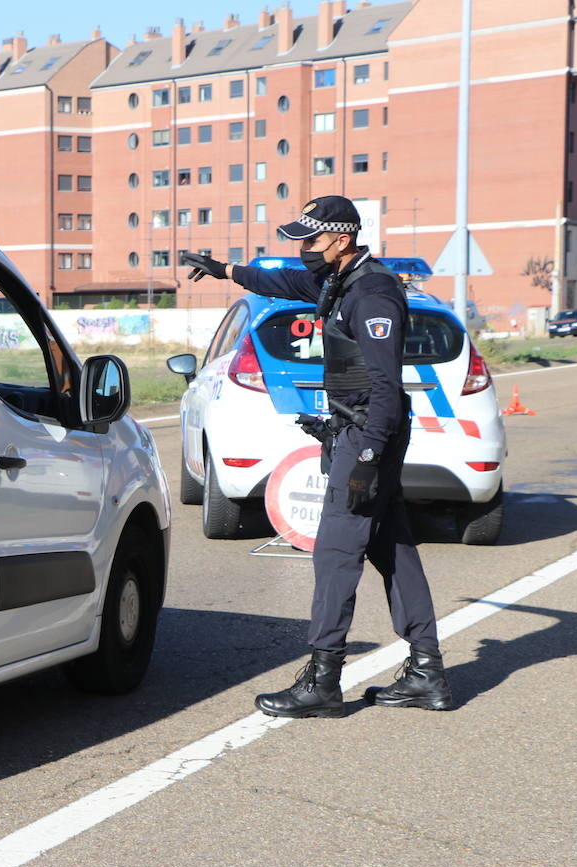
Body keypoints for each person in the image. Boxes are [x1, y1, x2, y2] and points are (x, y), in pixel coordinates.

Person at [181, 195, 453, 717]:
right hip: (356, 432)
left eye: (310, 240)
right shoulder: (340, 279)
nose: (302, 249)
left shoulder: (372, 294)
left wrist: (369, 457)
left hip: (368, 437)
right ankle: (427, 674)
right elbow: (280, 282)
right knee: (391, 546)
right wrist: (225, 270)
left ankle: (324, 680)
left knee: (334, 553)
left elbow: (385, 388)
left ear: (342, 240)